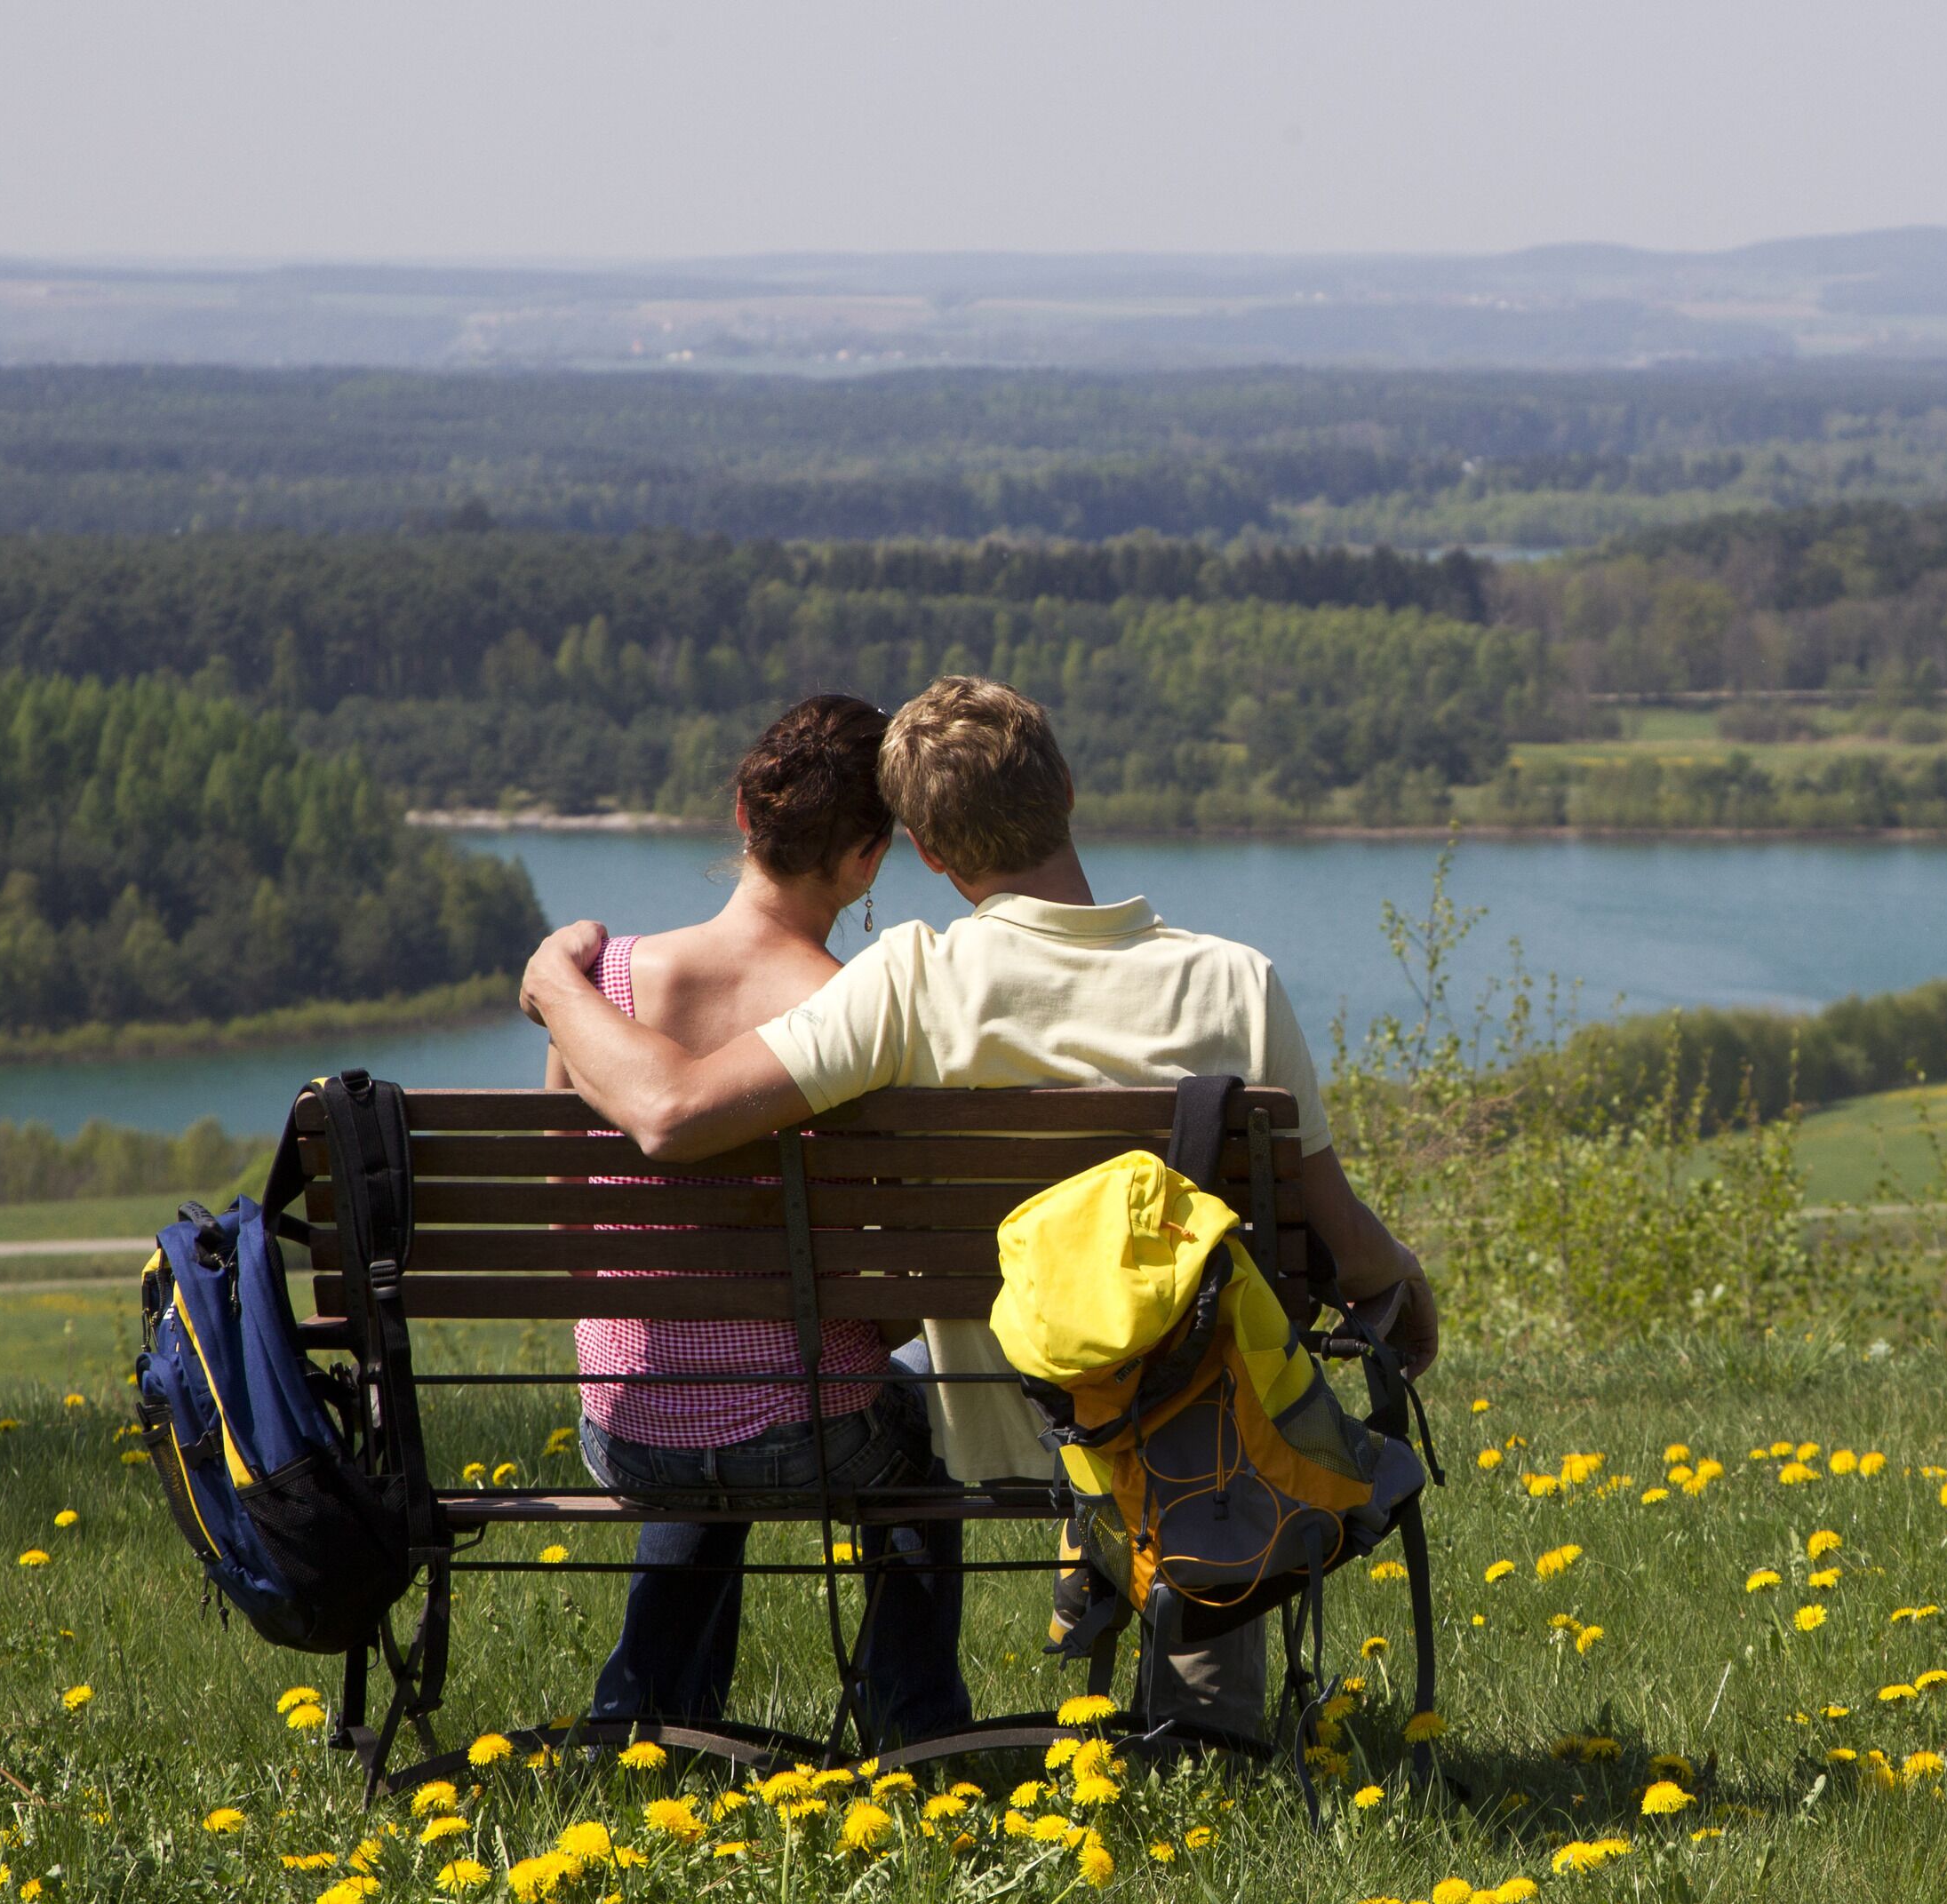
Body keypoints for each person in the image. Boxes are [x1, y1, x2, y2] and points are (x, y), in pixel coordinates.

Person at [523, 675, 1438, 1742]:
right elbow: (1339, 1231)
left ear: (927, 853)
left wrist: (558, 981)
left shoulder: (908, 980)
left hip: (987, 1414)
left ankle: (848, 1717)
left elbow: (675, 1112)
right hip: (1171, 1414)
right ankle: (1201, 1732)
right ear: (1068, 789)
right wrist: (1404, 1286)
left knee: (882, 1379)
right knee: (1198, 1352)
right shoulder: (1238, 983)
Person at [547, 692, 970, 1747]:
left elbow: (573, 1222)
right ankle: (913, 1726)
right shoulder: (860, 1016)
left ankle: (650, 1712)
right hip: (811, 1436)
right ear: (868, 860)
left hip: (630, 1429)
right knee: (915, 1423)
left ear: (744, 812)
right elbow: (897, 1293)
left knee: (708, 1407)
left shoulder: (595, 989)